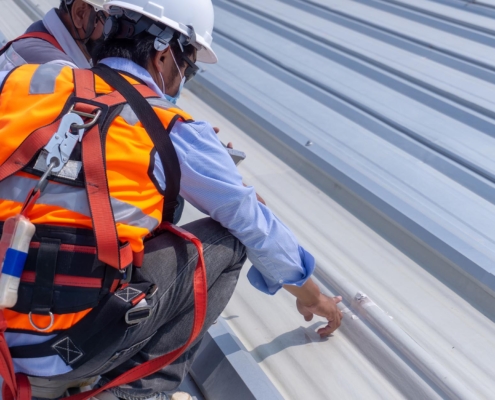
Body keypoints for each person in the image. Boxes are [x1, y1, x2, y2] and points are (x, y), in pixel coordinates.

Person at [0, 0, 343, 399]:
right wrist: (314, 295)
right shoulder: (172, 128)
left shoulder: (24, 82)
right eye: (190, 66)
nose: (184, 79)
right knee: (227, 241)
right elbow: (253, 222)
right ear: (164, 55)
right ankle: (137, 392)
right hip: (59, 351)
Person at [0, 0, 106, 71]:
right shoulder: (59, 72)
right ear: (79, 13)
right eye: (111, 21)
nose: (118, 32)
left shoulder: (37, 37)